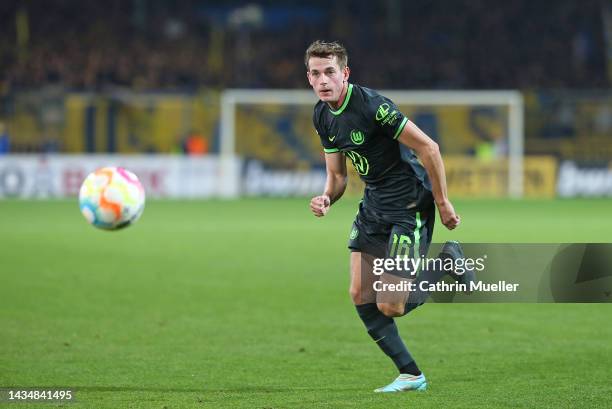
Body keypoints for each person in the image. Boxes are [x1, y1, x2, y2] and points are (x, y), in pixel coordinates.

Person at [305, 40, 474, 393]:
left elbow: (429, 147)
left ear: (345, 73)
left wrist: (442, 202)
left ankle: (446, 265)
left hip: (408, 206)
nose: (323, 80)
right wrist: (325, 198)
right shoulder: (321, 115)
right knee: (359, 295)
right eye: (316, 73)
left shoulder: (372, 106)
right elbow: (337, 178)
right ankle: (411, 374)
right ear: (309, 77)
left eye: (330, 72)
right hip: (374, 205)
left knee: (390, 305)